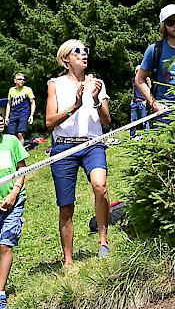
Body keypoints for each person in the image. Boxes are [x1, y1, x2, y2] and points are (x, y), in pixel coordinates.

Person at [45, 40, 111, 265]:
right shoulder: (55, 84)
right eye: (78, 51)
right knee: (66, 205)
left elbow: (107, 120)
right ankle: (68, 260)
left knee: (100, 186)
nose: (84, 54)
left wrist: (94, 99)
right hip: (64, 146)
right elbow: (49, 121)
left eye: (86, 51)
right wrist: (73, 106)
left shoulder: (97, 83)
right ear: (66, 59)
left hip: (93, 143)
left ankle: (103, 241)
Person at [0, 116, 29, 309]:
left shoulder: (11, 141)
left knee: (4, 245)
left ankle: (0, 292)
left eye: (0, 117)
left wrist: (14, 193)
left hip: (14, 201)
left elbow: (21, 168)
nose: (0, 120)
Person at [4, 74, 35, 146]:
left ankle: (21, 153)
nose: (22, 81)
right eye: (20, 79)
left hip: (23, 113)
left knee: (20, 134)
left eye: (23, 79)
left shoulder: (28, 89)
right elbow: (9, 104)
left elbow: (33, 102)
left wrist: (31, 115)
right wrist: (6, 116)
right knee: (10, 135)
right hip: (13, 114)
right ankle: (12, 151)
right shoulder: (11, 90)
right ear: (15, 81)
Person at [129, 66, 150, 140]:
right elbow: (134, 90)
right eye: (136, 71)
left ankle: (147, 136)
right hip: (135, 101)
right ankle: (132, 136)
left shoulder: (146, 80)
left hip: (142, 101)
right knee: (133, 120)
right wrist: (132, 99)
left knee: (144, 119)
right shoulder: (134, 80)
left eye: (139, 70)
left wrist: (146, 101)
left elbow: (149, 90)